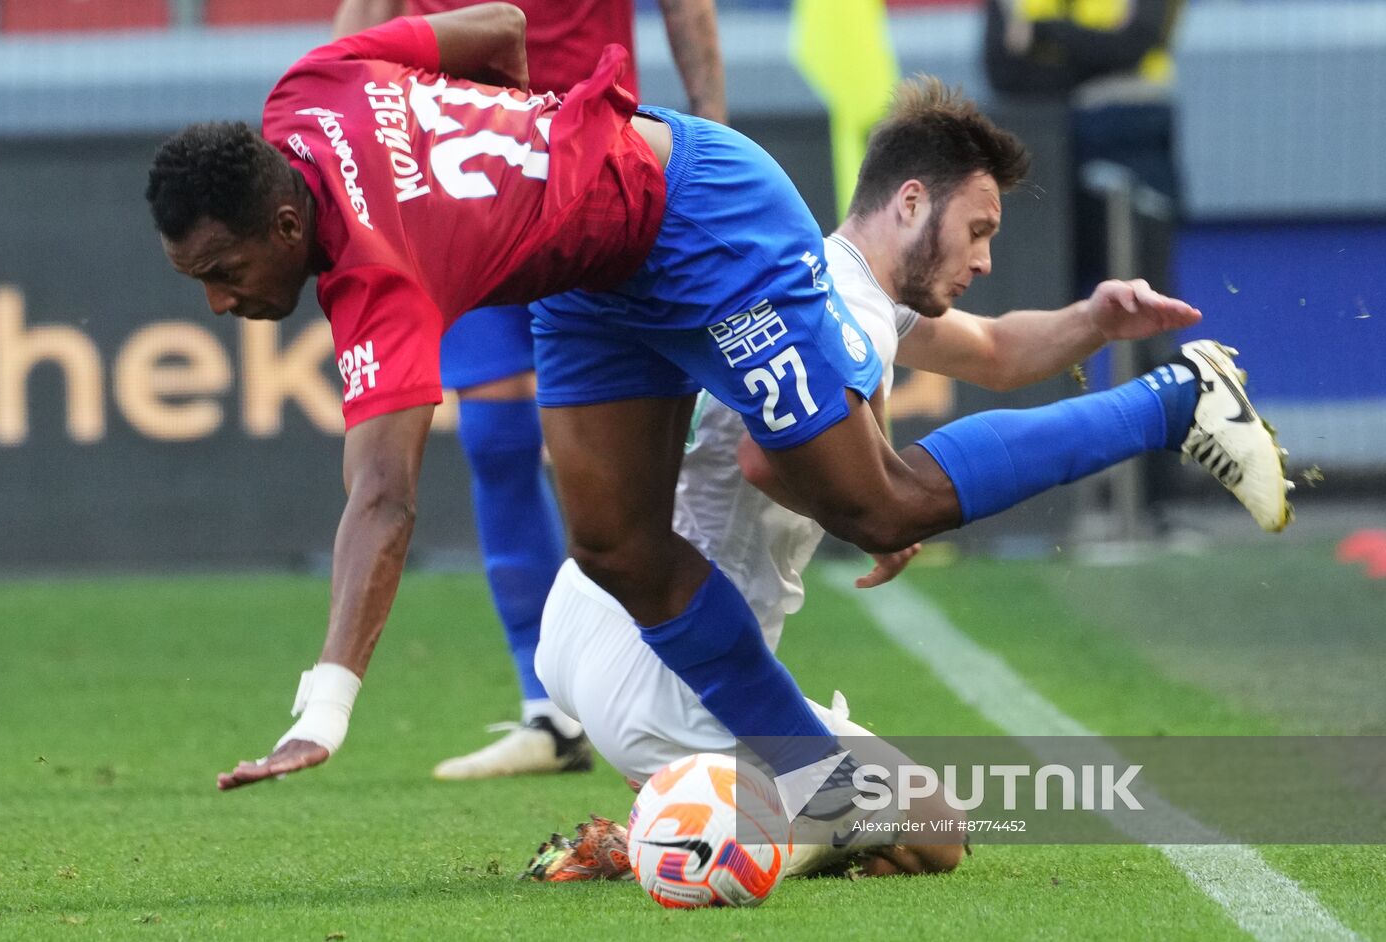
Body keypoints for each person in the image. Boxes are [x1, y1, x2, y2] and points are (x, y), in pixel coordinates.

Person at [143, 6, 1290, 794]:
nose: (218, 304)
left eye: (221, 274)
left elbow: (382, 502)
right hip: (587, 274)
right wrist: (519, 154)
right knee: (609, 543)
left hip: (694, 214)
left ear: (286, 223)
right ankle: (808, 773)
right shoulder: (308, 82)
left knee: (878, 506)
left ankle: (1174, 402)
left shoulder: (374, 278)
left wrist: (322, 711)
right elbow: (497, 26)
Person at [523, 79, 1283, 877]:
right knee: (934, 831)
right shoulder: (845, 306)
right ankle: (687, 832)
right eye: (977, 230)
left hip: (583, 621)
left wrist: (1094, 318)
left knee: (884, 811)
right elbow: (762, 455)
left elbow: (993, 351)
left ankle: (665, 817)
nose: (986, 259)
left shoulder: (816, 277)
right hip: (667, 667)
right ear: (912, 202)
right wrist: (869, 500)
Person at [327, 0, 724, 781]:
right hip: (454, 181)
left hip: (600, 174)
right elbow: (363, 20)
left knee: (647, 447)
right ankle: (553, 708)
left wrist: (710, 121)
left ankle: (679, 674)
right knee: (495, 438)